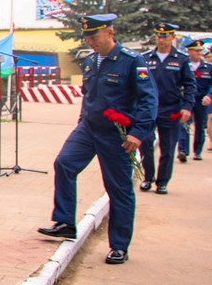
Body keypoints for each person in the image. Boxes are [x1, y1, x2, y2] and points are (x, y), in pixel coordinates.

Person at [39, 14, 157, 264]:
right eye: (88, 37)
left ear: (110, 32)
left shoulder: (132, 61)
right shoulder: (91, 61)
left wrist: (138, 133)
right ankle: (65, 222)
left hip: (117, 135)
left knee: (119, 189)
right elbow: (89, 95)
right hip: (88, 129)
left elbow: (148, 99)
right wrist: (82, 120)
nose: (91, 42)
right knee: (64, 163)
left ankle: (119, 246)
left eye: (95, 36)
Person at [139, 23, 194, 194]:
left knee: (168, 148)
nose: (162, 39)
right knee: (145, 143)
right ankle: (148, 177)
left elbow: (190, 85)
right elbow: (137, 83)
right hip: (148, 109)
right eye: (159, 36)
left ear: (172, 37)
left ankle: (162, 182)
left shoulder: (181, 59)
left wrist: (187, 106)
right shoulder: (145, 58)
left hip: (171, 110)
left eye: (166, 36)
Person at [178, 39, 210, 162]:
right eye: (196, 51)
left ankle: (197, 151)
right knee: (184, 123)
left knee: (200, 126)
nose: (199, 53)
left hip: (201, 100)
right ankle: (183, 151)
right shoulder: (184, 64)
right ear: (189, 51)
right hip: (186, 99)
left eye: (200, 51)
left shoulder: (208, 67)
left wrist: (209, 96)